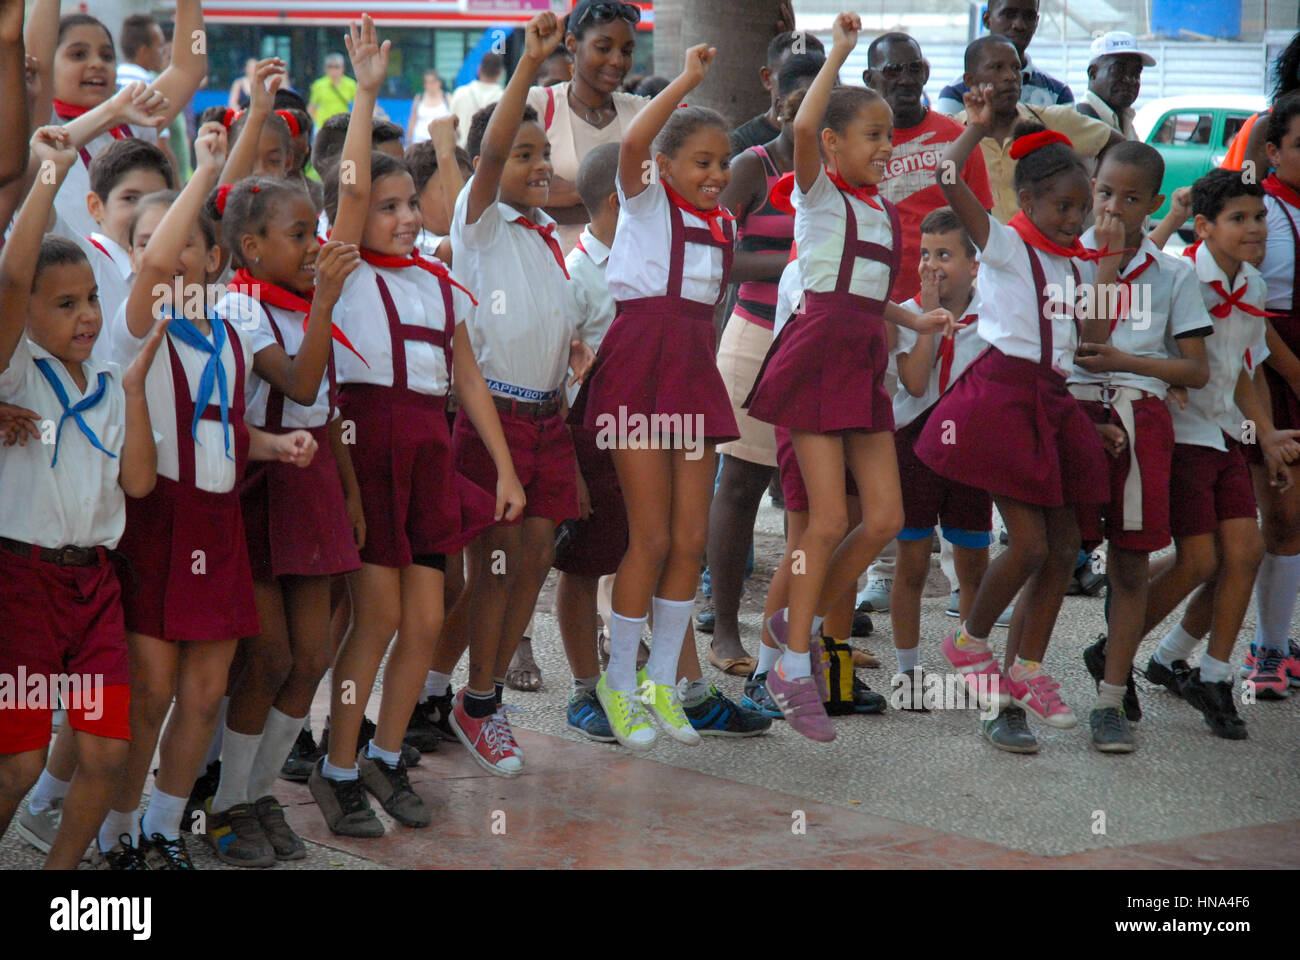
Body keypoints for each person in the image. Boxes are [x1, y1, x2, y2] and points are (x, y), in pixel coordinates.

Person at [308, 15, 520, 837]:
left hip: (429, 456)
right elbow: (352, 184)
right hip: (366, 450)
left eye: (409, 204)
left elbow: (466, 378)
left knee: (428, 621)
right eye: (385, 205)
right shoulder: (346, 267)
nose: (400, 216)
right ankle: (337, 762)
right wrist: (365, 92)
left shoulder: (436, 280)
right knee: (379, 617)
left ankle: (387, 755)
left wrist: (501, 467)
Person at [96, 122, 319, 870]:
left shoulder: (227, 333)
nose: (168, 255)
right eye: (152, 244)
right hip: (158, 518)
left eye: (187, 241)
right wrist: (208, 167)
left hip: (218, 521)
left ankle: (164, 828)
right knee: (151, 692)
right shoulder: (140, 326)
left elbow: (224, 431)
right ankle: (114, 832)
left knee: (204, 692)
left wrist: (276, 444)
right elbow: (156, 266)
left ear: (216, 258)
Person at [746, 14, 953, 742]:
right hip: (814, 354)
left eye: (889, 137)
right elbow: (803, 131)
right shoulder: (817, 192)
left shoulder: (883, 212)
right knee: (826, 519)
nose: (885, 146)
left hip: (863, 354)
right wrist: (836, 51)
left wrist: (914, 319)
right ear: (833, 144)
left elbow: (867, 291)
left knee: (887, 519)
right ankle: (790, 666)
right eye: (872, 135)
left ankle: (789, 621)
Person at [915, 93, 1113, 753]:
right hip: (1000, 400)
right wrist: (974, 128)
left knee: (1064, 550)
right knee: (1027, 545)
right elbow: (947, 177)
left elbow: (1079, 342)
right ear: (1025, 201)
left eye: (1083, 207)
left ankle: (1025, 670)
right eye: (1063, 206)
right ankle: (970, 642)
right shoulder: (1001, 243)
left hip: (1051, 402)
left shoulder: (1072, 260)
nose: (1076, 218)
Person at [0, 124, 163, 871]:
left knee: (106, 753)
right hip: (23, 583)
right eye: (64, 304)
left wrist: (130, 395)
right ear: (27, 314)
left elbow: (137, 485)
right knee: (21, 766)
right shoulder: (14, 379)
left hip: (94, 584)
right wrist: (48, 175)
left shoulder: (105, 382)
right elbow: (10, 275)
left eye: (90, 299)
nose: (87, 316)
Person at [571, 42, 738, 750]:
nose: (716, 175)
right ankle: (617, 684)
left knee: (690, 542)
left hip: (693, 375)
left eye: (722, 164)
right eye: (701, 162)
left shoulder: (722, 227)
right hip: (639, 372)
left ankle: (663, 686)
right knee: (652, 537)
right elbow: (634, 138)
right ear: (665, 168)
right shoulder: (643, 205)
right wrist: (690, 80)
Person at [439, 12, 591, 775]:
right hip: (493, 418)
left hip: (546, 419)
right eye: (520, 154)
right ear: (483, 168)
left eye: (543, 153)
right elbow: (493, 145)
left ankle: (474, 694)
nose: (535, 164)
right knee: (491, 569)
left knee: (532, 561)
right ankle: (471, 699)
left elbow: (545, 323)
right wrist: (530, 66)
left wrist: (572, 353)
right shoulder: (482, 225)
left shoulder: (538, 237)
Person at [202, 182, 364, 867]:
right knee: (266, 658)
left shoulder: (302, 305)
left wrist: (350, 492)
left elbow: (324, 410)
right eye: (298, 236)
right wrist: (326, 301)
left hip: (313, 480)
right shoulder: (241, 305)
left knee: (311, 658)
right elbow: (296, 385)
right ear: (251, 248)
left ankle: (260, 791)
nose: (314, 247)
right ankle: (224, 803)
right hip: (260, 483)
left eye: (316, 231)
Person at [1140, 170, 1300, 739]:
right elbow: (1148, 335)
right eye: (1239, 218)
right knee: (1200, 560)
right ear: (1204, 227)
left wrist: (1269, 434)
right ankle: (1121, 648)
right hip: (1182, 433)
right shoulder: (1181, 276)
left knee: (1246, 549)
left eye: (1259, 217)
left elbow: (1244, 371)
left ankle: (1212, 671)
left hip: (1227, 433)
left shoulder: (1252, 284)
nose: (1254, 227)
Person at [1068, 142, 1213, 752]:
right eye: (1104, 193)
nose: (1114, 208)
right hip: (1075, 415)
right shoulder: (1070, 260)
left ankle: (1110, 694)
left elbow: (1196, 370)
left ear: (1154, 204)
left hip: (1142, 422)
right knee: (1053, 555)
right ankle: (1016, 688)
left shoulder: (1173, 272)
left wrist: (1130, 363)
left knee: (1129, 563)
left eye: (1131, 199)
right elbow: (1084, 345)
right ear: (1090, 189)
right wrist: (1103, 266)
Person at [707, 53, 821, 675]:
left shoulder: (837, 169)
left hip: (820, 342)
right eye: (792, 95)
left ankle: (805, 631)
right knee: (743, 482)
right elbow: (716, 255)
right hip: (755, 333)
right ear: (775, 98)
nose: (801, 106)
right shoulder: (753, 166)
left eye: (816, 97)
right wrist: (799, 267)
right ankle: (726, 629)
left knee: (816, 498)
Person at [889, 208, 993, 706]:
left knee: (973, 561)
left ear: (975, 264)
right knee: (912, 562)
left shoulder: (992, 315)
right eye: (925, 254)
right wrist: (927, 314)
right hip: (912, 443)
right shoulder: (908, 314)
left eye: (945, 255)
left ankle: (972, 660)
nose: (932, 265)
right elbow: (913, 383)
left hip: (971, 449)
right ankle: (908, 672)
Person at [30, 3, 206, 242]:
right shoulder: (39, 123)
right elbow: (37, 58)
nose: (97, 64)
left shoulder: (130, 121)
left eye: (107, 56)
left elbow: (190, 68)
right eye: (78, 54)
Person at [1247, 92, 1300, 693]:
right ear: (1272, 151)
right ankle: (1268, 648)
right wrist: (1291, 371)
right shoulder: (1258, 211)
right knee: (1282, 514)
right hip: (1276, 369)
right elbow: (1248, 308)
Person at [953, 34, 1121, 224]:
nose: (1010, 76)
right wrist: (975, 130)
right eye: (997, 67)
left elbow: (1120, 147)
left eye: (1016, 68)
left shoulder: (1051, 120)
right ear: (970, 81)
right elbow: (946, 177)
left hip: (1045, 251)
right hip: (984, 250)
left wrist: (1095, 196)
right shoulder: (954, 133)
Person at [525, 0, 647, 250]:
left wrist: (565, 195)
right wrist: (617, 197)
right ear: (571, 43)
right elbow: (517, 187)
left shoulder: (642, 111)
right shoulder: (539, 104)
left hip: (627, 274)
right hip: (549, 268)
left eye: (626, 51)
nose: (617, 61)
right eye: (603, 48)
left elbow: (653, 194)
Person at [80, 137, 174, 334]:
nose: (145, 212)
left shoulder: (177, 267)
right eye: (130, 198)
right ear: (96, 206)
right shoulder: (82, 260)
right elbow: (43, 173)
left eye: (156, 200)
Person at [936, 0, 1072, 116]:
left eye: (1029, 16)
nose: (1019, 25)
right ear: (987, 19)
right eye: (1009, 14)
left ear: (1036, 22)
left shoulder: (1058, 93)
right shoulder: (956, 94)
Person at [731, 30, 826, 157]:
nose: (806, 86)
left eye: (816, 75)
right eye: (791, 74)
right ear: (766, 78)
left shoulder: (834, 136)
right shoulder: (741, 144)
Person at [115, 13, 180, 180]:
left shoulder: (116, 78)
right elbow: (160, 144)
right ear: (144, 51)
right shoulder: (144, 86)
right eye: (159, 47)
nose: (163, 54)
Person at [1075, 32, 1153, 140]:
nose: (1129, 80)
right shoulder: (1080, 122)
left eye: (1136, 73)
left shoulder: (1125, 120)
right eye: (1118, 70)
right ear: (1093, 73)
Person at [450, 52, 504, 148]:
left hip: (462, 155)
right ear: (500, 73)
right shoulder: (505, 98)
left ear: (479, 70)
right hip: (490, 155)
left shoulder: (460, 93)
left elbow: (451, 128)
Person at [308, 53, 356, 126]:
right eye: (330, 67)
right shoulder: (318, 84)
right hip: (323, 125)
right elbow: (312, 106)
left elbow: (359, 103)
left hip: (343, 125)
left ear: (343, 68)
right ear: (325, 68)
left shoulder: (351, 84)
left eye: (336, 67)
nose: (333, 70)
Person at [407, 69, 451, 144]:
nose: (430, 85)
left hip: (441, 142)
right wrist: (408, 140)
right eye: (427, 83)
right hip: (420, 141)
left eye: (432, 82)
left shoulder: (447, 98)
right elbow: (413, 120)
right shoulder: (419, 98)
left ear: (439, 82)